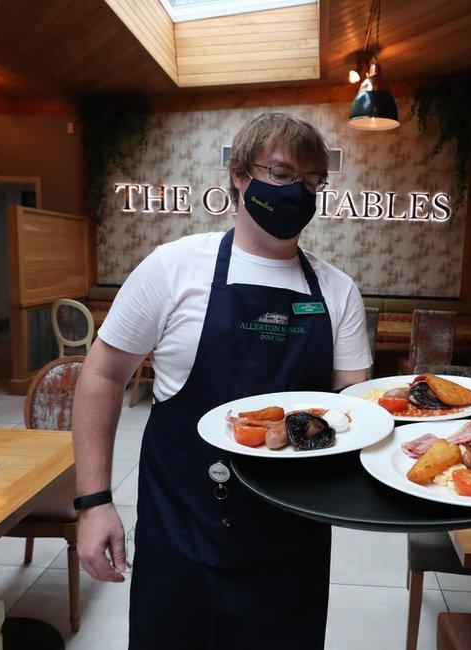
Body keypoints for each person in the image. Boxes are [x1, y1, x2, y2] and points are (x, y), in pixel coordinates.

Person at [71, 112, 372, 648]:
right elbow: (101, 374)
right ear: (239, 174)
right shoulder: (173, 268)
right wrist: (94, 502)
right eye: (280, 175)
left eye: (310, 182)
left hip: (292, 533)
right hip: (184, 523)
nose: (296, 192)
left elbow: (355, 409)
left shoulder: (337, 289)